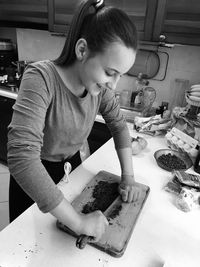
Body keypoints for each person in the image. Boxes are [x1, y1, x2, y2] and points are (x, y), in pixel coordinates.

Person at [7, 0, 142, 242]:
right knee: (29, 245)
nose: (114, 84)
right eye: (110, 72)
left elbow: (120, 126)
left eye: (120, 75)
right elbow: (22, 158)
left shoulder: (99, 90)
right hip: (33, 179)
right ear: (82, 50)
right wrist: (78, 222)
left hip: (68, 170)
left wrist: (129, 177)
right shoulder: (40, 78)